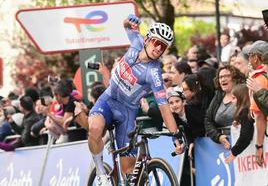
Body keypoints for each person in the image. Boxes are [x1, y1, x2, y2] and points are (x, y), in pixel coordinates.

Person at [82, 14, 183, 185]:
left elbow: (164, 106)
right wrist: (128, 21)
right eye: (157, 43)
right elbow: (127, 26)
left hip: (127, 113)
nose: (159, 48)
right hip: (108, 99)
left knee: (130, 175)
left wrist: (175, 135)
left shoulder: (153, 73)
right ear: (147, 39)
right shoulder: (136, 43)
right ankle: (100, 173)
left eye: (163, 47)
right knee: (95, 128)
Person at [205, 65, 246, 149]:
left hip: (243, 142)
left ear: (235, 78)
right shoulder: (218, 96)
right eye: (220, 77)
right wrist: (218, 137)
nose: (223, 79)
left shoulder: (244, 93)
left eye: (227, 76)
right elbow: (208, 120)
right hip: (222, 146)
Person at [225, 84, 254, 164]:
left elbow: (245, 136)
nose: (232, 101)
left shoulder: (245, 112)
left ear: (241, 98)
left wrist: (234, 152)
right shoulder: (247, 111)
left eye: (234, 98)